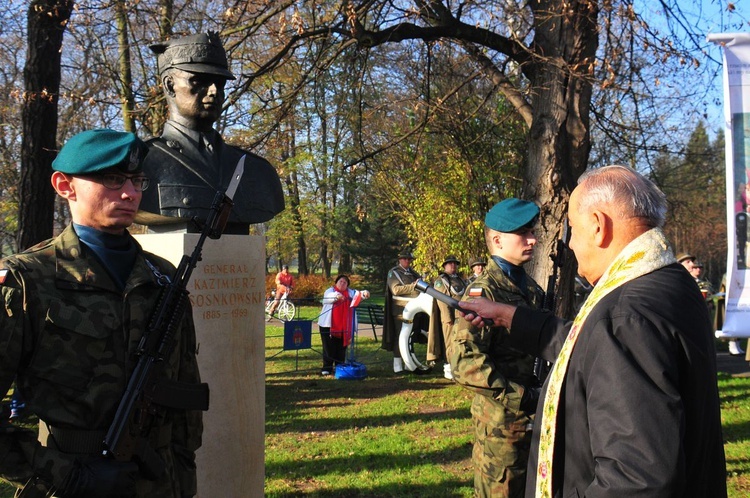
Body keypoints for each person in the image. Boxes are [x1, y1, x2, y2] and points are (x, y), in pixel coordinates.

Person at [460, 165, 727, 498]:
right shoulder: (669, 282)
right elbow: (588, 345)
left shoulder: (625, 314)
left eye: (572, 228)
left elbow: (635, 480)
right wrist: (512, 317)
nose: (570, 244)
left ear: (599, 226)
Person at [0, 129, 205, 497]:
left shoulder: (163, 276)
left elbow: (184, 395)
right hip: (76, 483)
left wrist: (182, 480)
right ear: (65, 185)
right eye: (111, 180)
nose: (130, 193)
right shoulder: (28, 280)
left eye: (136, 180)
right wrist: (64, 474)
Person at [135, 32, 284, 233]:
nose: (214, 91)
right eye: (200, 81)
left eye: (220, 83)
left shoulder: (258, 171)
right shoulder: (141, 163)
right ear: (170, 85)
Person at [448, 199, 545, 498]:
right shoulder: (483, 290)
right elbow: (464, 361)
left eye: (532, 231)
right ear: (498, 240)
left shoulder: (531, 288)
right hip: (501, 425)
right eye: (523, 233)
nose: (533, 239)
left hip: (534, 417)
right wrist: (520, 397)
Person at [318, 275, 370, 376]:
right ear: (336, 282)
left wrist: (365, 293)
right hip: (328, 325)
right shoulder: (330, 291)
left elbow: (359, 294)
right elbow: (328, 298)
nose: (342, 283)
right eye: (341, 281)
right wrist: (336, 297)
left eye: (345, 282)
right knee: (329, 347)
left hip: (345, 326)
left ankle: (339, 366)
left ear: (347, 285)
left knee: (341, 347)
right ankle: (327, 368)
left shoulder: (350, 292)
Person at [427, 255, 467, 380]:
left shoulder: (459, 279)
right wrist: (447, 317)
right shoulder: (441, 280)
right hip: (450, 318)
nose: (453, 266)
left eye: (455, 263)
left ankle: (459, 365)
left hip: (461, 316)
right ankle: (448, 367)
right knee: (449, 342)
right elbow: (442, 300)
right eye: (450, 264)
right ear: (445, 266)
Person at [383, 251, 423, 372]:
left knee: (410, 337)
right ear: (400, 260)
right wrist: (412, 286)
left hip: (414, 308)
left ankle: (408, 363)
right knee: (400, 336)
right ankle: (397, 365)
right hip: (400, 310)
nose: (407, 261)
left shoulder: (413, 273)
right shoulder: (393, 273)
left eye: (409, 259)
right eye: (405, 259)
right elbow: (395, 290)